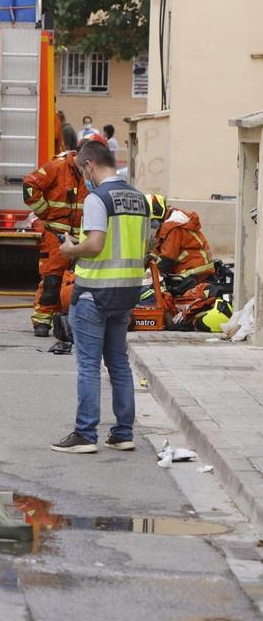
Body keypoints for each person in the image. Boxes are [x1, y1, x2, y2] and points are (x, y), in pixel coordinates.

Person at [51, 140, 149, 454]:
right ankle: (122, 433)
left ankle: (85, 434)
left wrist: (69, 249)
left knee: (89, 366)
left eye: (82, 171)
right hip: (126, 292)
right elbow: (143, 247)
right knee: (118, 363)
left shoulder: (97, 198)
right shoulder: (139, 199)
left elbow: (94, 245)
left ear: (89, 165)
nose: (84, 177)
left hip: (94, 293)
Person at [23, 134, 107, 337]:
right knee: (52, 279)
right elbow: (29, 186)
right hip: (56, 235)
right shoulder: (57, 167)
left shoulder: (94, 174)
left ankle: (68, 318)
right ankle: (42, 320)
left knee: (79, 282)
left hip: (83, 237)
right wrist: (44, 212)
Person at [148, 194, 215, 290]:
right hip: (197, 268)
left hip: (193, 271)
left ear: (157, 213)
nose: (151, 225)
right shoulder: (173, 220)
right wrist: (151, 256)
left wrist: (151, 276)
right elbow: (162, 246)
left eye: (151, 221)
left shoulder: (173, 227)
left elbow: (167, 260)